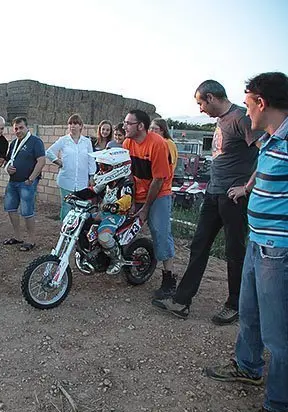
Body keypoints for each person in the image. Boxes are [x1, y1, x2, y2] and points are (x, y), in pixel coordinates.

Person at [205, 72, 288, 412]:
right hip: (259, 243)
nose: (246, 113)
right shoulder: (272, 137)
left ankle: (280, 406)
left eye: (248, 105)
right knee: (249, 314)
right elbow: (263, 173)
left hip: (280, 250)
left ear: (262, 104)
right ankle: (248, 367)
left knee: (280, 333)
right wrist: (248, 189)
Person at [152, 80, 260, 324]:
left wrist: (247, 187)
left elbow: (267, 152)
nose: (200, 109)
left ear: (211, 97)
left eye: (201, 103)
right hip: (213, 194)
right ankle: (181, 301)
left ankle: (235, 305)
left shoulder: (241, 118)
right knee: (199, 246)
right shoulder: (222, 120)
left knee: (235, 252)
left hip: (233, 197)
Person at [122, 110, 176, 297]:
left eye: (128, 123)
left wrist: (145, 208)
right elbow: (128, 172)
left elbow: (158, 180)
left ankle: (169, 279)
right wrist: (130, 198)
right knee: (121, 224)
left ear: (140, 126)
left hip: (159, 193)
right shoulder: (127, 143)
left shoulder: (158, 145)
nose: (124, 126)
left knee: (161, 233)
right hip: (139, 192)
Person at [67, 148, 134, 274]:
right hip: (103, 213)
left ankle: (117, 259)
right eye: (100, 167)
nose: (101, 170)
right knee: (82, 221)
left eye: (104, 167)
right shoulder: (107, 181)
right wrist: (75, 195)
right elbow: (92, 190)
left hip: (117, 215)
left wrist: (115, 205)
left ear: (118, 167)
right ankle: (87, 250)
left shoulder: (125, 184)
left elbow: (127, 199)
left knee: (103, 236)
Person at [3, 117, 46, 251]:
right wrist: (7, 168)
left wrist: (31, 179)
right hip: (13, 182)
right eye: (16, 128)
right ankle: (18, 237)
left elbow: (41, 161)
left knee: (27, 212)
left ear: (27, 128)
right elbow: (8, 160)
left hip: (27, 183)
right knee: (10, 209)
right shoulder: (13, 143)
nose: (18, 131)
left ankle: (31, 240)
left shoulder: (35, 142)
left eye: (21, 127)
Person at [45, 113, 95, 220]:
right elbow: (49, 152)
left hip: (82, 182)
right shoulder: (63, 140)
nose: (73, 126)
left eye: (76, 123)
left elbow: (91, 159)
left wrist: (91, 176)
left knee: (80, 207)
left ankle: (77, 232)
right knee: (66, 206)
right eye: (70, 123)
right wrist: (58, 161)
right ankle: (64, 231)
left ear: (81, 126)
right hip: (66, 180)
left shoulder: (87, 142)